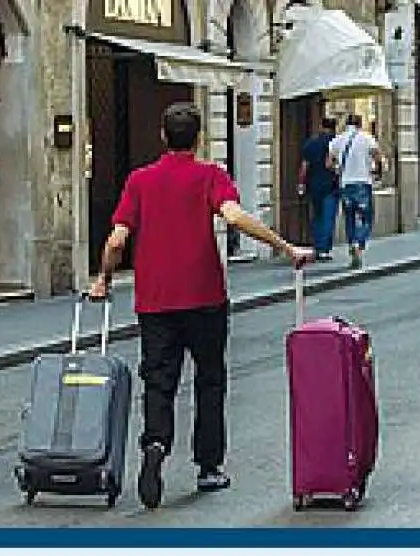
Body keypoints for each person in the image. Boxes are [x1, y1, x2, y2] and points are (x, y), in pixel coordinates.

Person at [88, 102, 313, 510]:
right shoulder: (210, 175)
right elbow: (235, 216)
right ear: (199, 138)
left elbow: (118, 239)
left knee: (158, 381)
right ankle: (208, 466)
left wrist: (103, 278)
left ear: (162, 135)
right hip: (205, 298)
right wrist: (284, 246)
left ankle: (155, 444)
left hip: (154, 302)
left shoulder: (140, 180)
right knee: (210, 380)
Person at [327, 114, 383, 269]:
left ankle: (352, 242)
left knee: (349, 217)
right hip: (363, 183)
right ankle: (359, 243)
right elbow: (377, 156)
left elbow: (329, 163)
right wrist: (377, 171)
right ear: (360, 124)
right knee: (367, 217)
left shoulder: (338, 140)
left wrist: (338, 170)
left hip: (346, 185)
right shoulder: (367, 138)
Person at [298, 117, 339, 261]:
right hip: (331, 185)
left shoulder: (311, 143)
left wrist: (301, 183)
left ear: (321, 126)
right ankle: (324, 249)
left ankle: (317, 245)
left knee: (317, 216)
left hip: (314, 185)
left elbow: (304, 166)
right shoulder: (335, 143)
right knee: (328, 217)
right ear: (334, 127)